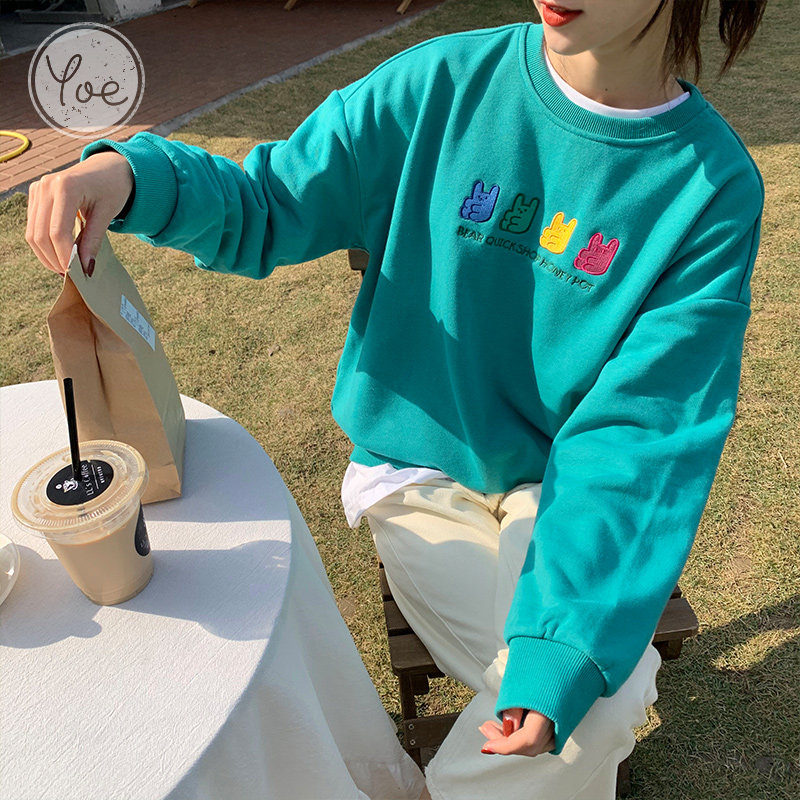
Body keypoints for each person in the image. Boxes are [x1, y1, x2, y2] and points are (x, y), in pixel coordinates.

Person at [26, 1, 768, 797]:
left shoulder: (710, 189)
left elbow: (639, 431)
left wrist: (564, 645)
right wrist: (134, 175)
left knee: (586, 688)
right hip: (418, 476)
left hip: (561, 494)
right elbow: (269, 202)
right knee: (606, 699)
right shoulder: (442, 83)